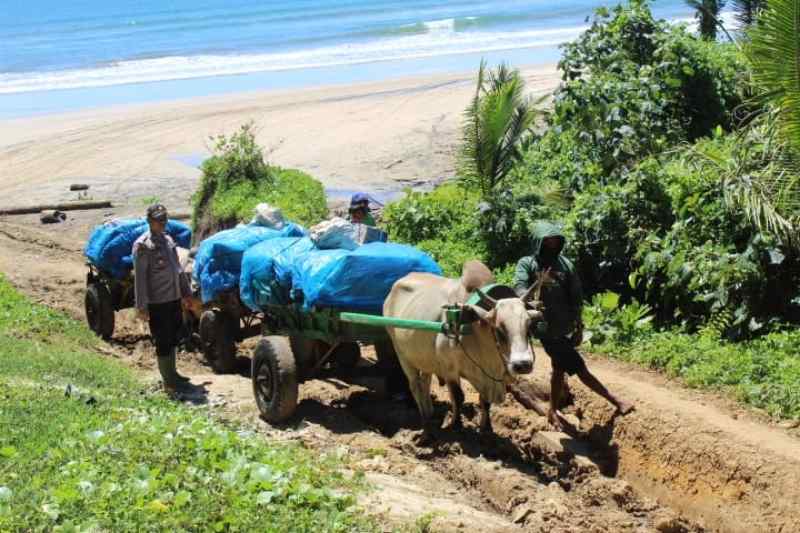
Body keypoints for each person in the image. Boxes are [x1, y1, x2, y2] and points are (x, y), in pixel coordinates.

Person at [513, 221, 634, 429]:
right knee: (580, 368)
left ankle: (552, 409)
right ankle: (616, 401)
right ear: (539, 242)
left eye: (554, 241)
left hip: (565, 326)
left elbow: (576, 295)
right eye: (547, 241)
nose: (551, 244)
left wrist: (579, 325)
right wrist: (529, 301)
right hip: (545, 328)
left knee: (559, 368)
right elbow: (519, 288)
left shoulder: (565, 265)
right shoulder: (527, 264)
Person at [133, 204, 192, 396]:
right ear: (150, 221)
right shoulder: (143, 246)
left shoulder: (168, 241)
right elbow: (140, 280)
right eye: (159, 220)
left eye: (164, 219)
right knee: (163, 340)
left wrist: (186, 293)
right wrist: (141, 307)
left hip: (174, 297)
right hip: (158, 302)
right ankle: (168, 380)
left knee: (174, 336)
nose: (162, 223)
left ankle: (173, 373)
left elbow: (178, 269)